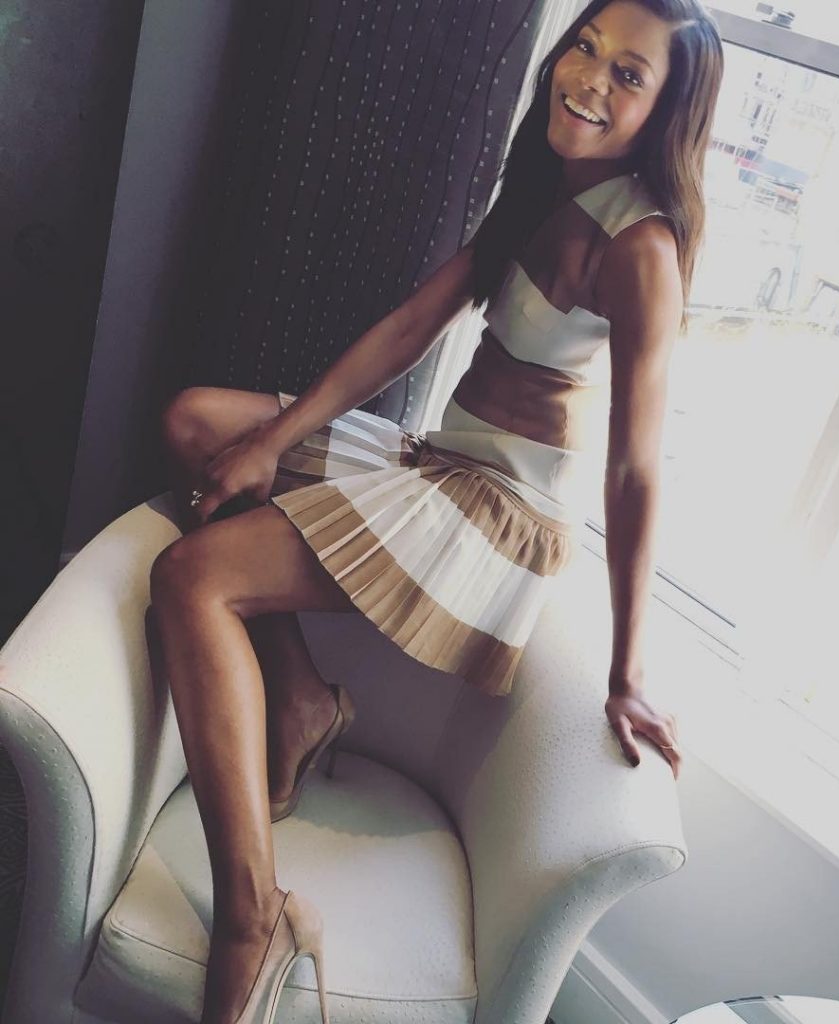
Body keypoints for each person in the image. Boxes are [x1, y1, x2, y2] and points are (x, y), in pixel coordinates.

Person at [151, 1, 723, 1020]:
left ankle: (254, 912)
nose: (589, 79)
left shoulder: (642, 249)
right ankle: (300, 698)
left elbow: (637, 470)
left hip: (496, 512)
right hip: (437, 461)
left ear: (666, 113)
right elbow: (415, 323)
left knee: (191, 579)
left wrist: (628, 671)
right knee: (200, 424)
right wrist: (274, 440)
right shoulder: (545, 181)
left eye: (628, 76)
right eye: (585, 46)